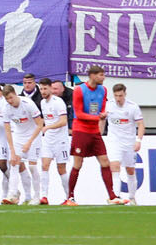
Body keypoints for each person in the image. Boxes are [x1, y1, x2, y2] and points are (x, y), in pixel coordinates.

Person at [67, 65, 123, 204]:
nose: (103, 78)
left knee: (105, 162)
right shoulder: (79, 90)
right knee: (78, 164)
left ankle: (112, 196)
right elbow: (79, 114)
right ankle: (70, 196)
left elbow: (101, 108)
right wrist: (98, 117)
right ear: (92, 76)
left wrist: (102, 117)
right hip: (80, 130)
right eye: (100, 75)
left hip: (94, 131)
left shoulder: (103, 90)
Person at [1, 83, 44, 206]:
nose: (9, 101)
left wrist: (29, 143)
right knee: (14, 164)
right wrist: (12, 150)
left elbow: (40, 124)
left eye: (11, 97)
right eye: (7, 99)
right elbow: (7, 130)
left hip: (33, 136)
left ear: (15, 94)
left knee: (32, 167)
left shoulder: (28, 104)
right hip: (19, 136)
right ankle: (12, 194)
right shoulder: (6, 108)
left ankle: (37, 196)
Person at [103, 83, 144, 205]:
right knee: (114, 167)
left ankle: (132, 197)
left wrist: (139, 140)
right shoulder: (108, 105)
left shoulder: (133, 107)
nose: (118, 98)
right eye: (116, 96)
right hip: (114, 141)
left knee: (130, 170)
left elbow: (141, 124)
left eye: (120, 95)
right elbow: (101, 120)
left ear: (125, 94)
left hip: (129, 142)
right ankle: (116, 196)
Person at [38, 78, 72, 204]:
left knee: (61, 169)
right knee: (44, 165)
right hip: (48, 140)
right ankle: (44, 196)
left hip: (60, 141)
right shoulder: (42, 103)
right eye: (41, 89)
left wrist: (48, 127)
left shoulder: (58, 102)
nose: (43, 91)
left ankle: (69, 197)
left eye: (45, 88)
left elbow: (63, 121)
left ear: (51, 89)